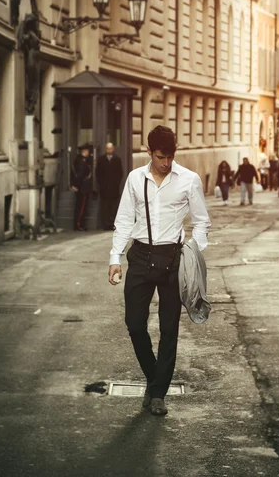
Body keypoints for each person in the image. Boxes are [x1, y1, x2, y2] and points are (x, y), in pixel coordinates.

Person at [108, 125, 210, 416]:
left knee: (169, 329)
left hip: (172, 258)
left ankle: (158, 394)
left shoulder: (188, 180)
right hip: (140, 256)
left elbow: (202, 221)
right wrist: (115, 258)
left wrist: (193, 251)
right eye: (160, 157)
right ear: (149, 152)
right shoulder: (135, 178)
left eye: (170, 156)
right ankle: (154, 379)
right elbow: (124, 220)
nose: (166, 163)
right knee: (135, 324)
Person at [96, 142, 123, 230]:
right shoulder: (101, 159)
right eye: (107, 148)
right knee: (105, 206)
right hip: (104, 188)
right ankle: (105, 224)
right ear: (105, 149)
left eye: (110, 148)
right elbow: (98, 173)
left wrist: (116, 183)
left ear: (113, 149)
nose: (109, 150)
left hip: (114, 188)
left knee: (113, 207)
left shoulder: (117, 159)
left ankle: (112, 223)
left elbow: (120, 173)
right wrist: (101, 183)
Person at [70, 143, 93, 231]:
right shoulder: (81, 161)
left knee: (81, 206)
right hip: (82, 187)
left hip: (81, 187)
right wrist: (76, 185)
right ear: (84, 151)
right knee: (81, 206)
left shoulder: (81, 160)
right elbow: (79, 175)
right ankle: (78, 224)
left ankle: (79, 223)